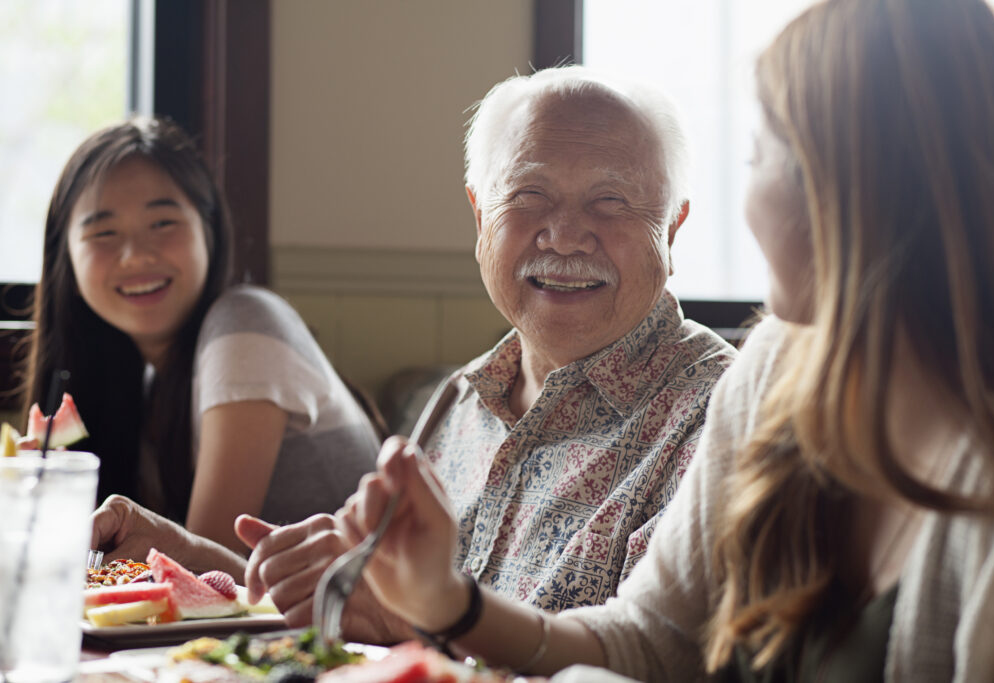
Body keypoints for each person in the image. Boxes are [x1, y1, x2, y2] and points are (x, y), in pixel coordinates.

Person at [331, 0, 994, 679]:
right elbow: (654, 637)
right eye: (531, 197)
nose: (566, 234)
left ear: (852, 191)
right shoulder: (775, 372)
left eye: (758, 157)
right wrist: (445, 603)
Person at [94, 66, 737, 633]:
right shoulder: (459, 401)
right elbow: (361, 609)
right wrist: (187, 557)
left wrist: (415, 627)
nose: (566, 235)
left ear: (673, 227)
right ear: (480, 216)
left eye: (611, 201)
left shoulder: (719, 413)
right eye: (528, 195)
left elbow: (648, 658)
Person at [25, 116, 380, 558]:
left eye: (162, 223)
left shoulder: (246, 322)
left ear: (208, 231)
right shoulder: (144, 384)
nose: (136, 256)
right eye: (104, 233)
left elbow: (200, 576)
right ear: (68, 263)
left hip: (337, 625)